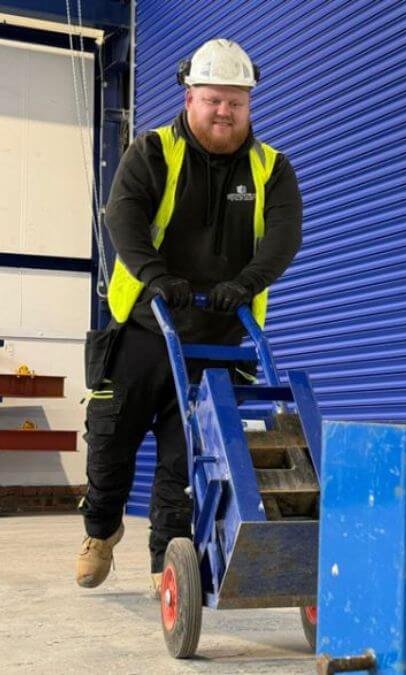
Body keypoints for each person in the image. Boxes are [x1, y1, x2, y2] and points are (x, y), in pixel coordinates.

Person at [75, 39, 303, 594]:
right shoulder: (152, 152)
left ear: (249, 103)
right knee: (110, 443)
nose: (224, 111)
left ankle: (166, 565)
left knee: (188, 460)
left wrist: (245, 285)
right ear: (190, 97)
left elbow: (283, 237)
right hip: (146, 328)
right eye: (213, 100)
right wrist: (157, 278)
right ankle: (100, 532)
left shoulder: (271, 168)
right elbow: (123, 218)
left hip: (220, 338)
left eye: (236, 101)